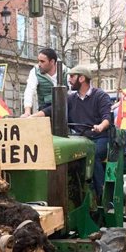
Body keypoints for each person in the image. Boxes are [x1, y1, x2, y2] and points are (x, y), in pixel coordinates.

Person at [32, 65, 112, 199]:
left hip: (99, 138)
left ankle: (102, 194)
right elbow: (51, 110)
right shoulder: (71, 98)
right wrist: (31, 117)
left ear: (81, 78)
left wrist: (100, 126)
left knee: (94, 153)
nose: (69, 80)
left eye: (72, 77)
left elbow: (107, 118)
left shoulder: (100, 96)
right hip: (79, 138)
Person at [21, 48, 60, 117]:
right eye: (38, 61)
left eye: (42, 61)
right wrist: (27, 111)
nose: (39, 64)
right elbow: (29, 91)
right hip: (44, 112)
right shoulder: (35, 71)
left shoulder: (66, 72)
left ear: (52, 62)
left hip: (63, 112)